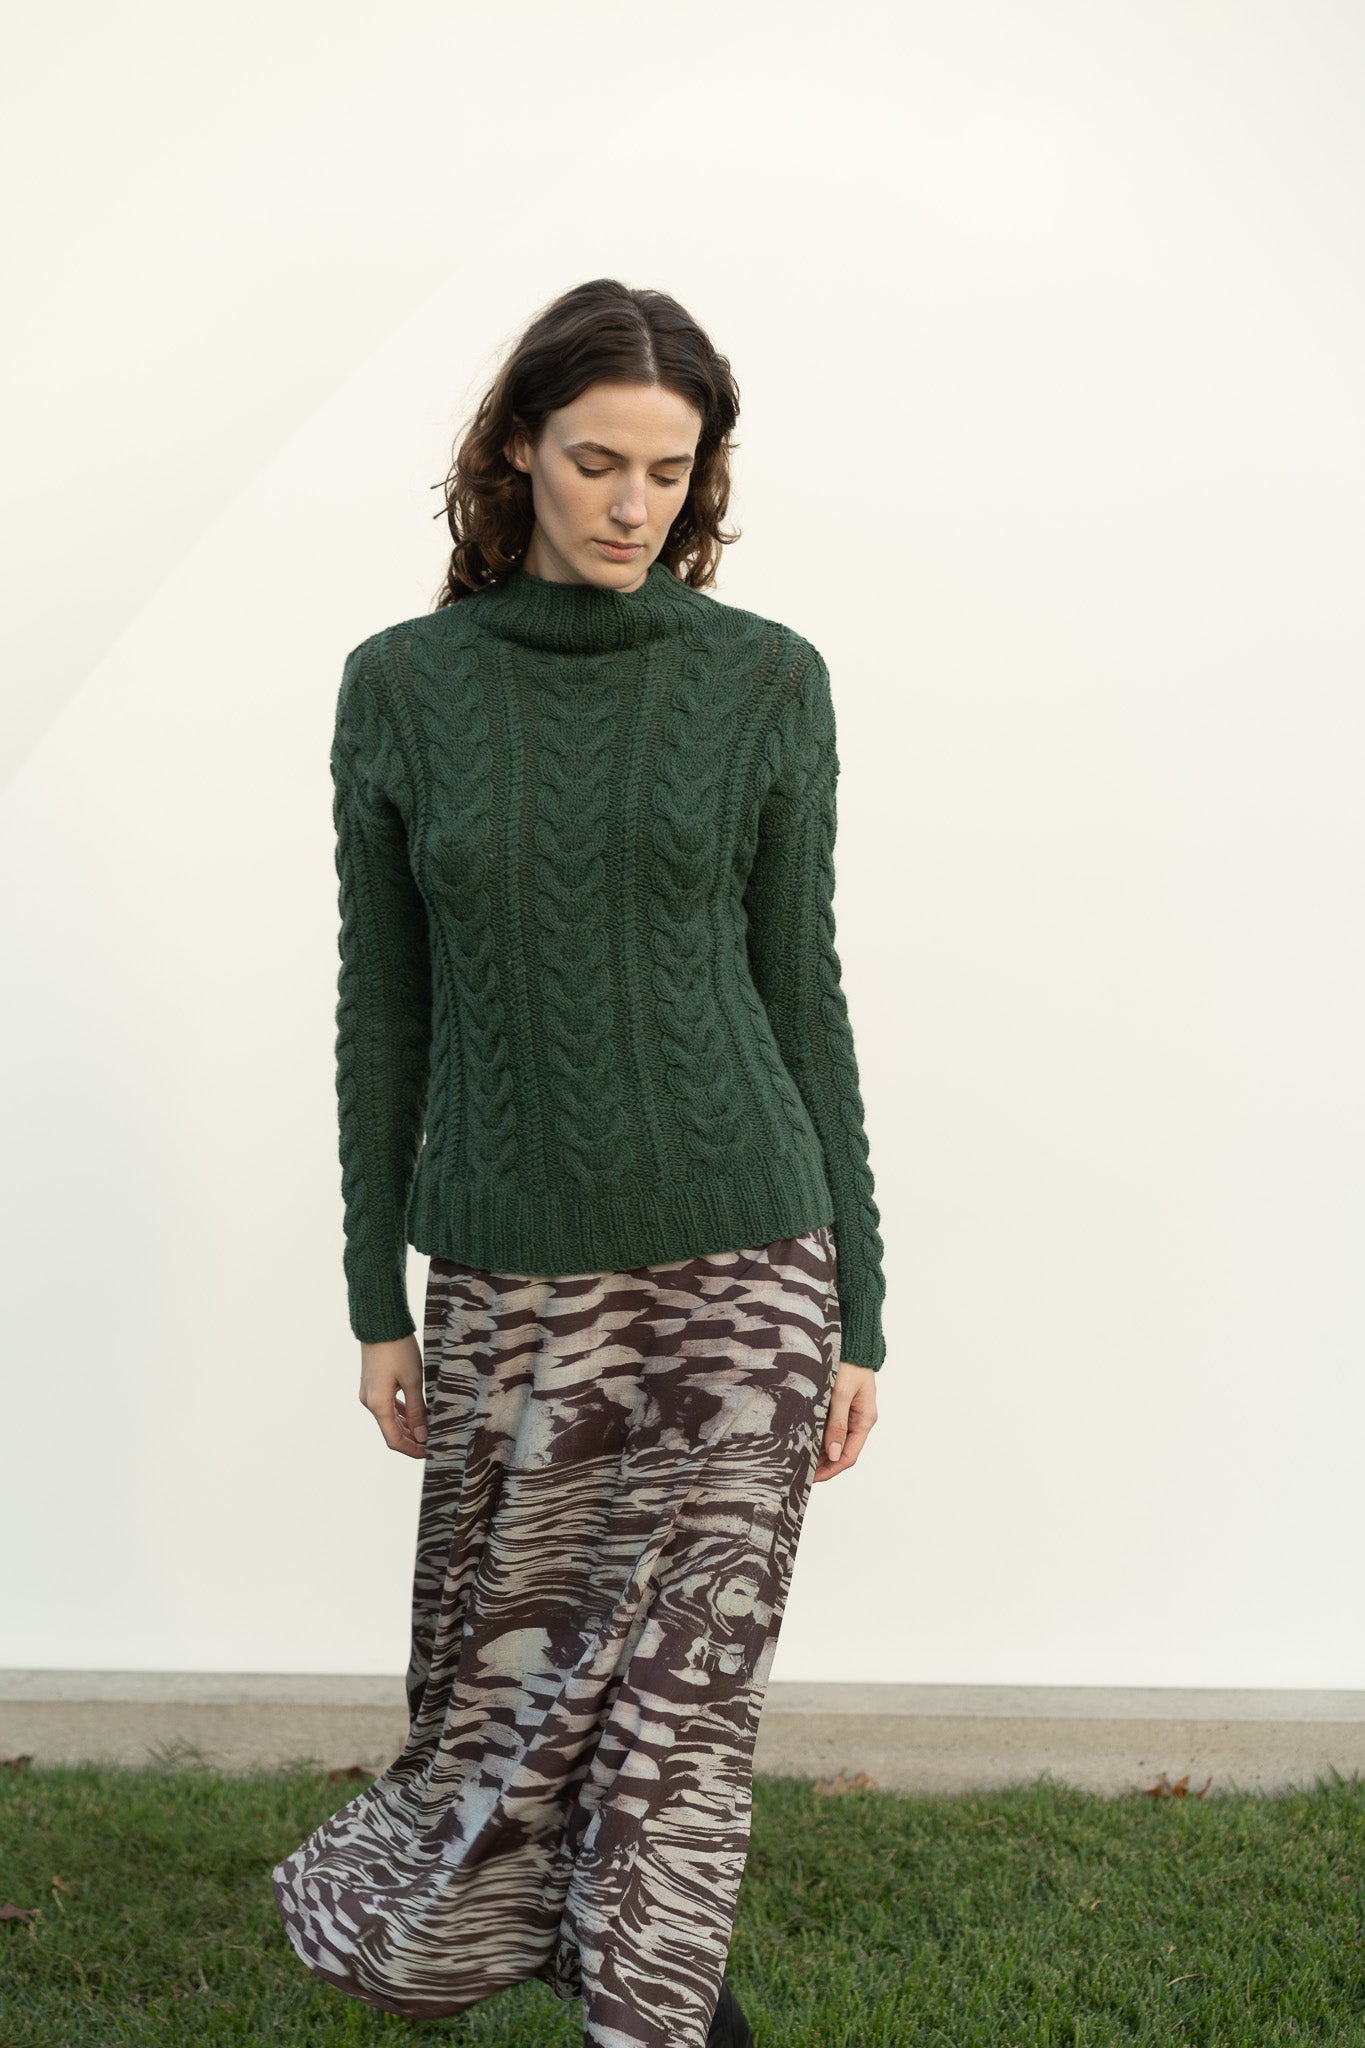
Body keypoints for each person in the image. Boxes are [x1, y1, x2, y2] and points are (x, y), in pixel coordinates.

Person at [271, 277, 887, 2048]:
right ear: (516, 455)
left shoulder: (766, 679)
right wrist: (370, 1297)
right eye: (597, 462)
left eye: (669, 473)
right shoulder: (403, 689)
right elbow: (383, 1008)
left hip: (743, 1262)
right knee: (503, 1707)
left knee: (681, 1712)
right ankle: (563, 1957)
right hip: (511, 1273)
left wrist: (860, 1313)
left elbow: (799, 994)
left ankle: (657, 2015)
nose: (634, 507)